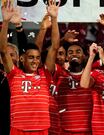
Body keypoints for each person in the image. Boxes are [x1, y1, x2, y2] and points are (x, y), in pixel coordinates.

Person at [0, 0, 60, 135]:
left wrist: (54, 19)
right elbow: (3, 51)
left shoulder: (45, 74)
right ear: (22, 58)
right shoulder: (14, 74)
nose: (35, 61)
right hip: (18, 129)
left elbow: (54, 48)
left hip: (42, 130)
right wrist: (5, 22)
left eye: (38, 58)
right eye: (31, 57)